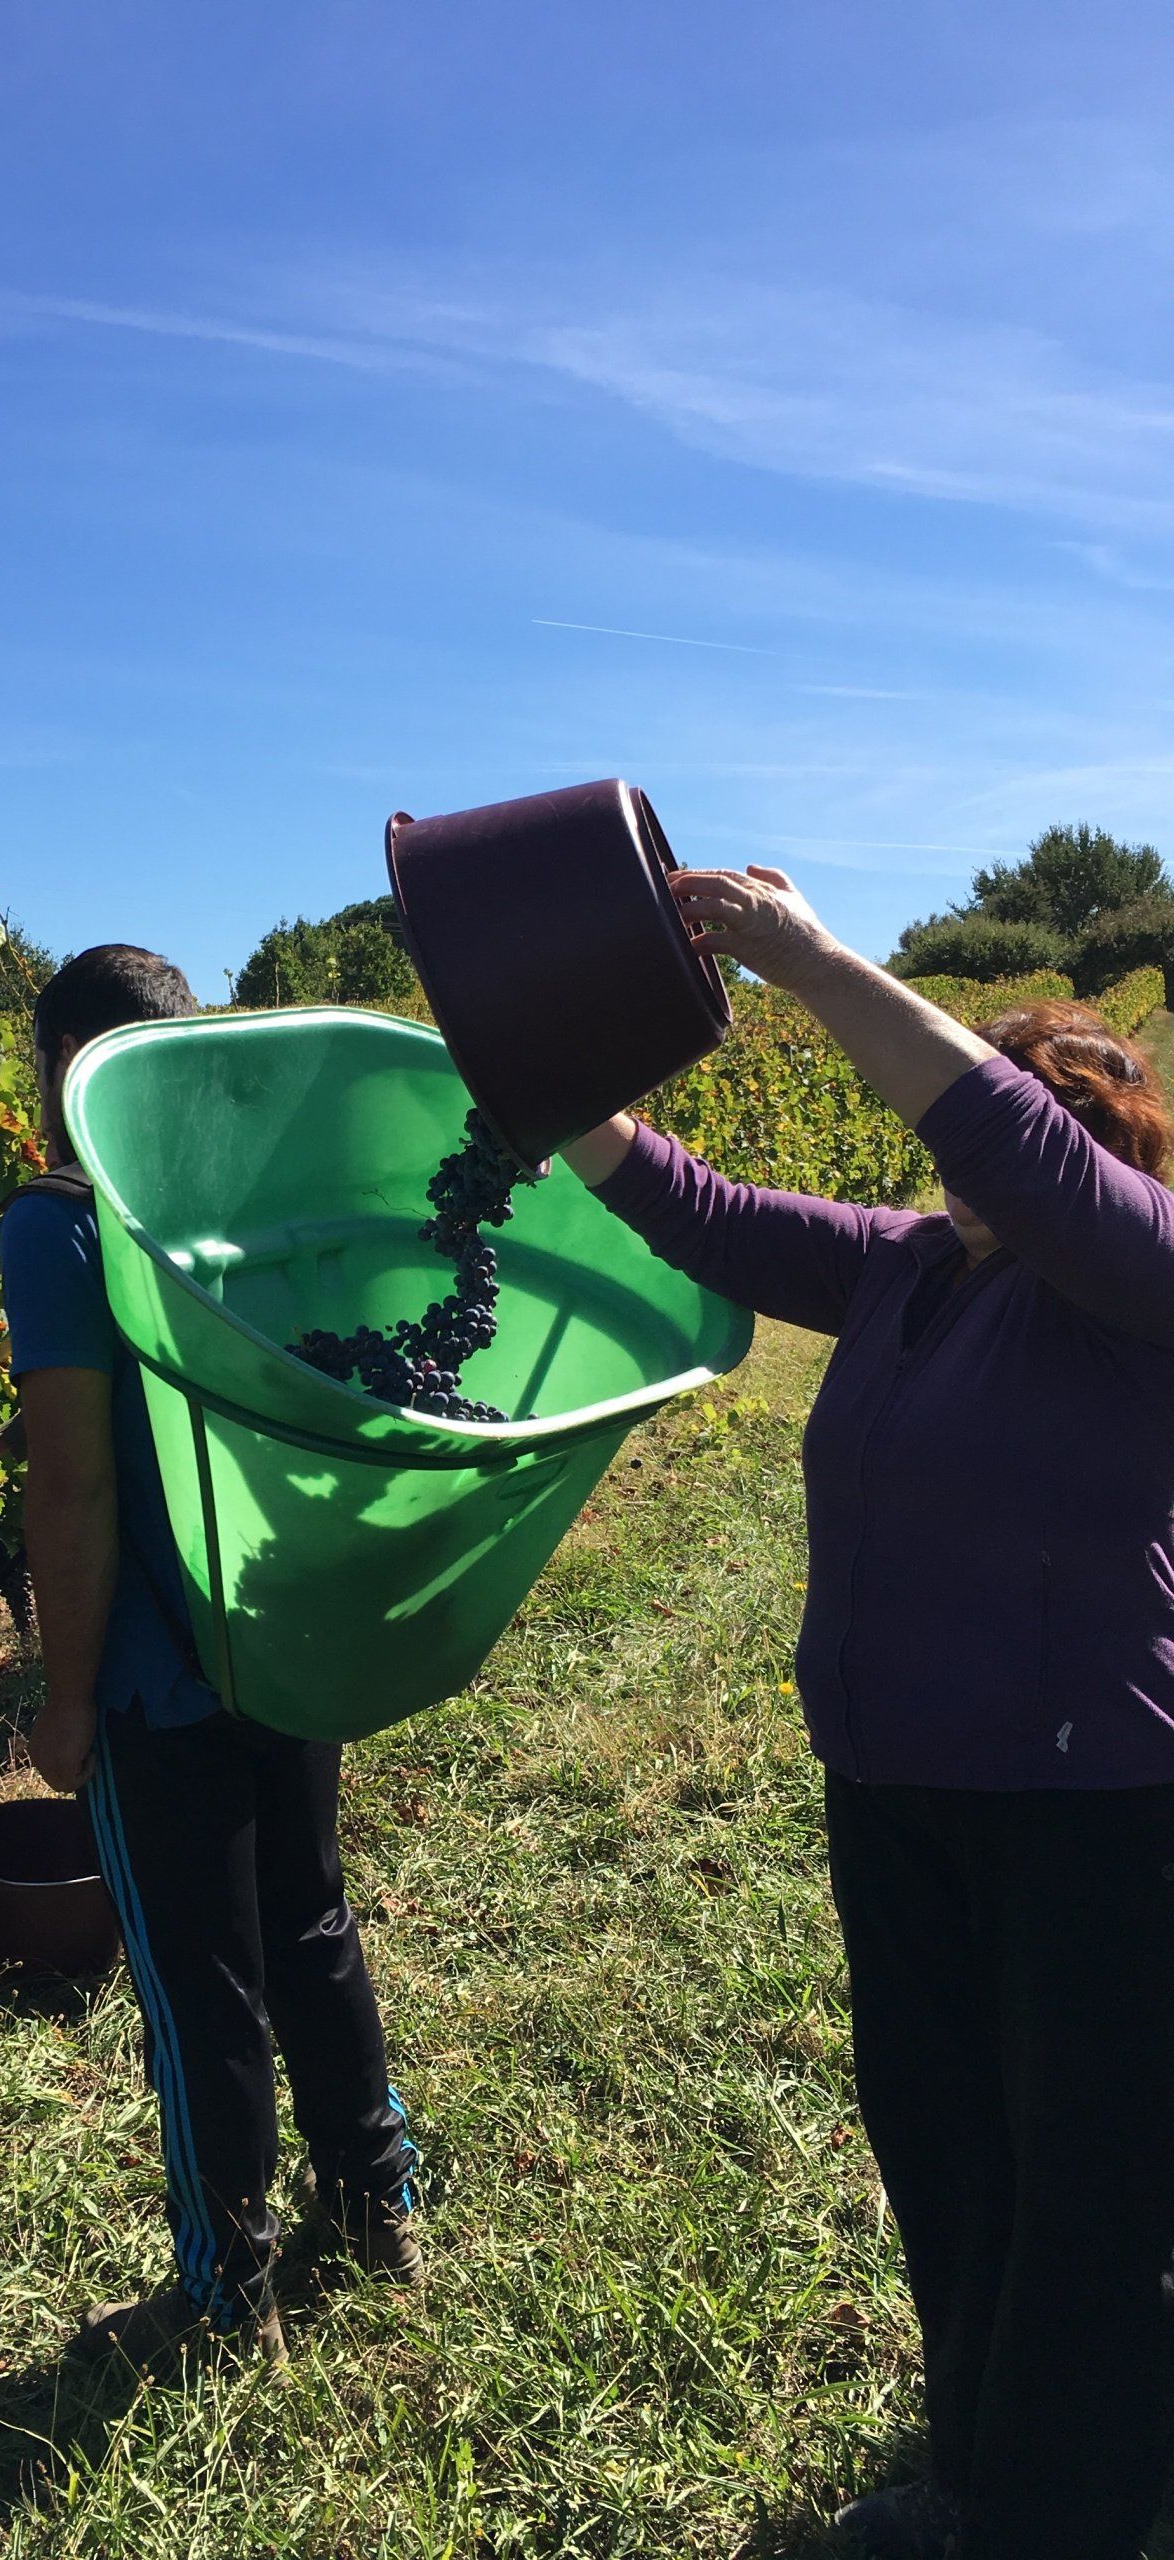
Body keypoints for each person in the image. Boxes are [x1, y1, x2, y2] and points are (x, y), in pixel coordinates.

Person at [560, 866, 1174, 2560]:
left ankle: (1064, 2512)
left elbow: (1015, 1151)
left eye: (1043, 1127)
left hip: (1095, 1812)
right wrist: (554, 1084)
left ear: (1110, 1152)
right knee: (947, 2142)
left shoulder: (1143, 1284)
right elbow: (703, 1210)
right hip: (895, 1788)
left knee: (1088, 2181)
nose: (980, 1166)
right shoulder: (915, 1268)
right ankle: (985, 2451)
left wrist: (816, 964)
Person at [0, 943, 420, 2372]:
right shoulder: (230, 1205)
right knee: (310, 1917)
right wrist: (8, 1429)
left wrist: (69, 1698)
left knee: (198, 1976)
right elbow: (174, 1381)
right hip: (280, 1628)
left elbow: (82, 1487)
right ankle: (382, 2202)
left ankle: (227, 2293)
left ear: (57, 1071)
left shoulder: (53, 1221)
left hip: (160, 1668)